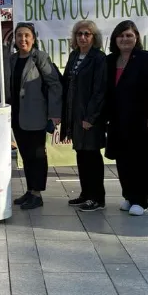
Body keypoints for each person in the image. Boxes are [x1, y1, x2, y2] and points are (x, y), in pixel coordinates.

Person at [5, 22, 62, 210]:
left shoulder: (40, 57)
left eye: (26, 35)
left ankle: (37, 194)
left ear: (33, 38)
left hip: (36, 114)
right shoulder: (12, 59)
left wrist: (54, 113)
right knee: (26, 154)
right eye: (19, 35)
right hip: (17, 115)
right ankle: (30, 190)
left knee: (37, 155)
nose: (23, 39)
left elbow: (54, 85)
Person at [104, 20, 148, 216]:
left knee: (139, 161)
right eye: (121, 35)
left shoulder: (145, 58)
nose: (125, 39)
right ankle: (128, 195)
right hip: (116, 119)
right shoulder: (110, 60)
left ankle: (140, 201)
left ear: (136, 38)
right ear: (115, 39)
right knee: (122, 160)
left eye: (129, 35)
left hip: (139, 119)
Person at [61, 20, 107, 211]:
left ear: (94, 37)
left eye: (87, 34)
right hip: (75, 115)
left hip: (90, 118)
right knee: (81, 154)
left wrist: (90, 117)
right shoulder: (74, 55)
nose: (82, 37)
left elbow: (100, 90)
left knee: (92, 156)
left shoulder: (99, 58)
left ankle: (97, 198)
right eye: (79, 34)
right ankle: (86, 193)